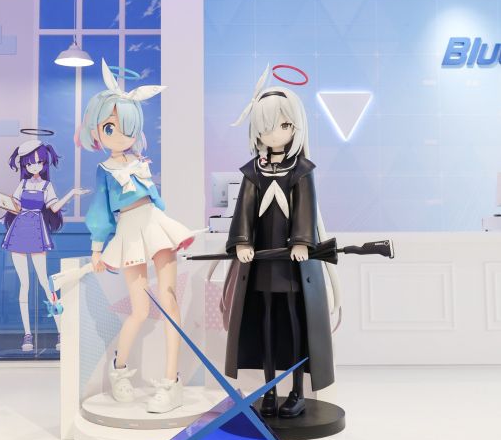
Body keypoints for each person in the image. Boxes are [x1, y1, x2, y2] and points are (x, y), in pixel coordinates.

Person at [77, 60, 200, 413]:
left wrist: (167, 226)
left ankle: (171, 381)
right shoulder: (104, 170)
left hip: (155, 226)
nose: (119, 135)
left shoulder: (141, 162)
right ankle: (119, 370)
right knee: (140, 310)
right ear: (97, 130)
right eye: (110, 127)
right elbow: (100, 211)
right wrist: (97, 248)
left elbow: (156, 201)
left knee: (170, 301)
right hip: (130, 231)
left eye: (126, 127)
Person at [223, 66, 338, 418]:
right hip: (260, 263)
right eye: (268, 126)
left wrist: (302, 241)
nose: (275, 133)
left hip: (292, 267)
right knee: (266, 326)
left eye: (284, 125)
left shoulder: (301, 170)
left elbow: (305, 209)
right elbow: (243, 211)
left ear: (295, 127)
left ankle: (297, 391)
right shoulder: (253, 171)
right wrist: (242, 242)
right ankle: (269, 391)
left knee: (294, 325)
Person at [0, 133, 86, 352]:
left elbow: (54, 207)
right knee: (24, 284)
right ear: (24, 165)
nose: (35, 166)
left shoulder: (47, 186)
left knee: (44, 282)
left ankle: (61, 331)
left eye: (39, 162)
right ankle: (27, 334)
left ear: (44, 163)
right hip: (19, 231)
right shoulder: (22, 184)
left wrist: (71, 193)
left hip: (36, 232)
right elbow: (14, 207)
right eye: (30, 163)